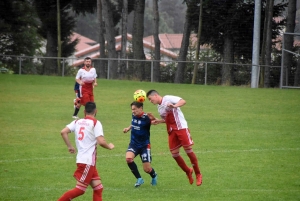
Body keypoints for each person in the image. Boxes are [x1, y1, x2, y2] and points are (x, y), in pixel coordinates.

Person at [58, 102, 115, 201]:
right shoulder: (95, 122)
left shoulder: (77, 122)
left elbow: (63, 132)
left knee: (98, 188)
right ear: (95, 111)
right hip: (87, 161)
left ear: (84, 111)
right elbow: (101, 142)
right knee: (80, 190)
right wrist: (109, 146)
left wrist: (70, 146)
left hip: (84, 160)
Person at [146, 90, 202, 186]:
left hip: (181, 127)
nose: (150, 101)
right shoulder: (159, 108)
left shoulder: (168, 98)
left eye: (150, 99)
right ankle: (188, 171)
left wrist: (174, 106)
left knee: (188, 150)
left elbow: (183, 101)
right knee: (174, 154)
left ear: (155, 95)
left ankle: (198, 174)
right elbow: (166, 120)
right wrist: (157, 120)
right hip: (171, 130)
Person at [123, 101, 158, 187]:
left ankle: (154, 175)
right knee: (128, 159)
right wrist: (128, 128)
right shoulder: (134, 115)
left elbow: (156, 122)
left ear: (140, 108)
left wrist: (153, 118)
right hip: (134, 144)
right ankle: (139, 179)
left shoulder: (146, 118)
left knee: (147, 169)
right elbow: (133, 123)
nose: (133, 111)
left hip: (144, 146)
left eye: (135, 109)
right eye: (132, 109)